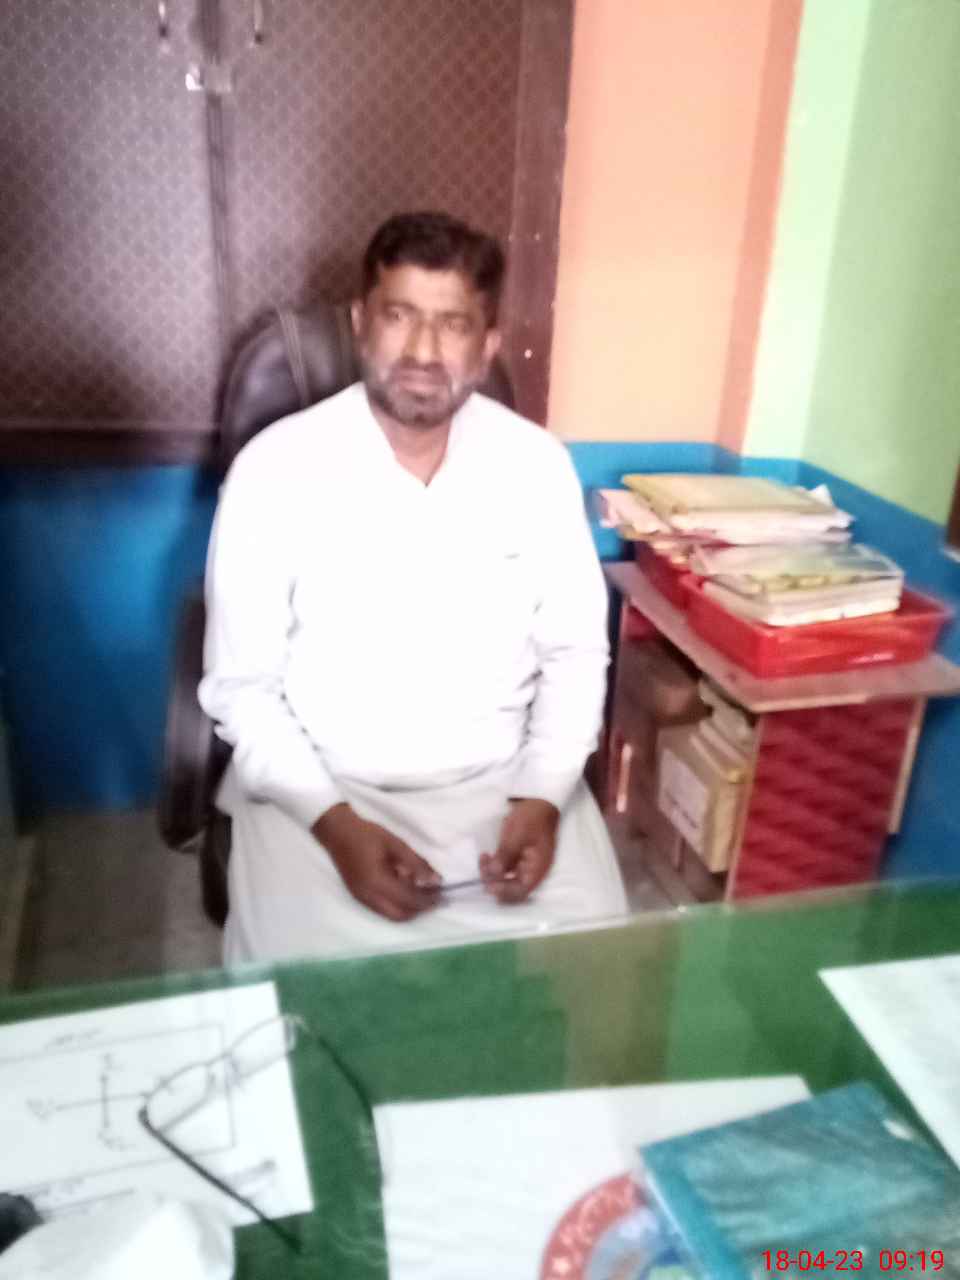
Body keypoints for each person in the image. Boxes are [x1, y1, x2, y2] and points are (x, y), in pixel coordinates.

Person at [200, 210, 628, 963]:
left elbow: (574, 652)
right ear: (361, 325)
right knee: (304, 996)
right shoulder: (274, 469)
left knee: (598, 970)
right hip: (322, 789)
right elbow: (243, 687)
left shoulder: (535, 466)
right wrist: (336, 826)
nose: (424, 352)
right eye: (399, 316)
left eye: (453, 324)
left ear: (487, 344)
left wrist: (543, 795)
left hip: (500, 784)